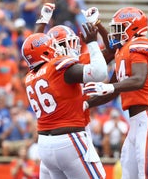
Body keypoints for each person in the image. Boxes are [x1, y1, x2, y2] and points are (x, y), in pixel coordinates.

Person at [83, 7, 148, 178]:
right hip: (136, 123)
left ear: (133, 28)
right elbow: (111, 91)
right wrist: (86, 103)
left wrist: (112, 87)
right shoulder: (122, 51)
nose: (115, 34)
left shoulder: (139, 44)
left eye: (119, 29)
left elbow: (139, 79)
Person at [22, 23, 107, 178]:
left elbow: (31, 45)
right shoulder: (57, 66)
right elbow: (100, 73)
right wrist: (93, 43)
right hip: (69, 139)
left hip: (45, 143)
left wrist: (42, 20)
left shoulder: (30, 77)